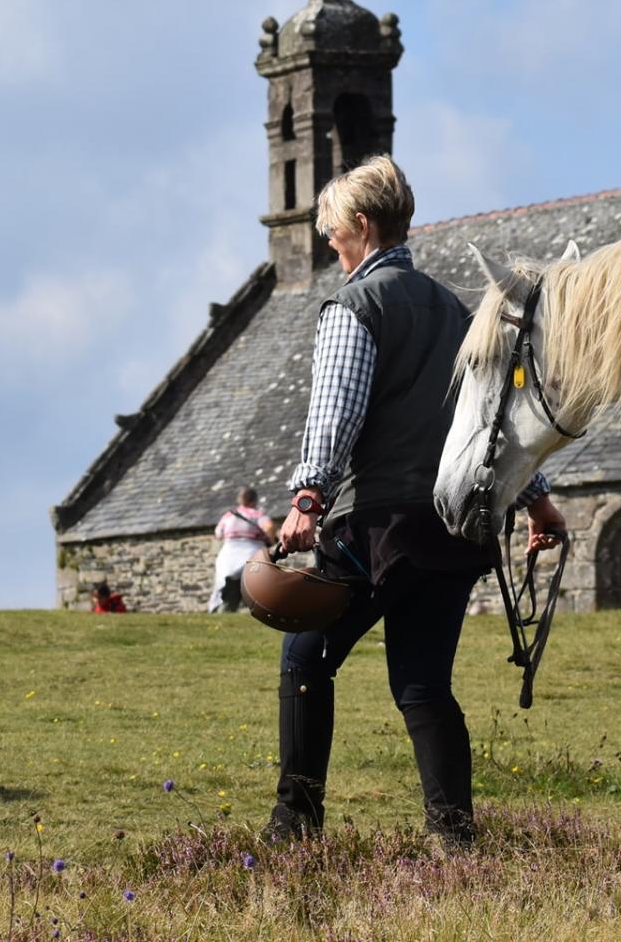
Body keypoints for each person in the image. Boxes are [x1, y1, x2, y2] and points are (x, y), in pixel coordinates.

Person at [267, 154, 567, 847]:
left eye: (333, 229)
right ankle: (453, 835)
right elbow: (495, 416)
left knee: (305, 656)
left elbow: (335, 411)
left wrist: (308, 494)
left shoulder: (356, 304)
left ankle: (295, 823)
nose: (328, 243)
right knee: (423, 682)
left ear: (362, 226)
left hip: (377, 524)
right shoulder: (458, 310)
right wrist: (537, 499)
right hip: (454, 530)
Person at [210, 486, 272, 612]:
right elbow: (269, 527)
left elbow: (218, 533)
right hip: (252, 551)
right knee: (253, 589)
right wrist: (270, 541)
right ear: (254, 500)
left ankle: (224, 611)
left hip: (228, 555)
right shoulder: (257, 514)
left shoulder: (229, 515)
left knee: (228, 592)